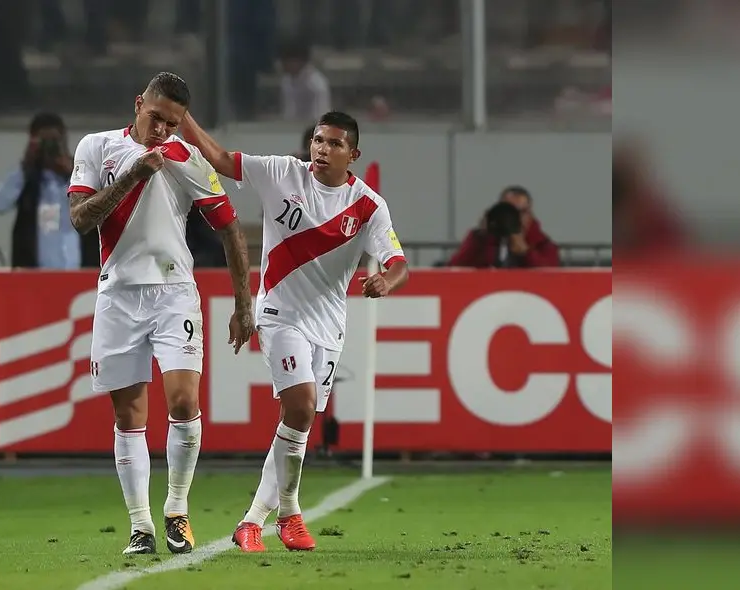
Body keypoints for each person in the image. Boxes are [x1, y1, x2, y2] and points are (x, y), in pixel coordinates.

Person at [180, 110, 409, 552]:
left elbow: (398, 262)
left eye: (334, 144)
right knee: (301, 406)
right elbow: (223, 159)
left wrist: (386, 281)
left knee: (299, 421)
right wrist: (183, 117)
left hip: (329, 326)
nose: (322, 149)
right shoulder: (282, 173)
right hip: (279, 315)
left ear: (353, 155)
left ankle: (260, 519)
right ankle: (289, 513)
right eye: (319, 141)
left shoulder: (367, 206)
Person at [67, 72, 254, 556]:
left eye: (172, 124)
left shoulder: (188, 159)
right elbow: (81, 218)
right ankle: (140, 527)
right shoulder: (97, 147)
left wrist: (243, 303)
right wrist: (134, 172)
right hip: (118, 295)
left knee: (183, 402)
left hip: (174, 294)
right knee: (128, 416)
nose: (163, 132)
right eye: (156, 119)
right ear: (138, 105)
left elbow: (232, 232)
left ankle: (176, 512)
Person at [0, 112, 81, 269]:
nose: (49, 147)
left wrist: (71, 173)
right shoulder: (25, 178)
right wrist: (25, 165)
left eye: (54, 141)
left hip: (80, 272)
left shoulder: (81, 173)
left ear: (64, 140)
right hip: (34, 274)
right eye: (44, 141)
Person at [448, 186, 560, 268]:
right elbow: (455, 267)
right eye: (509, 212)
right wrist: (481, 236)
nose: (515, 217)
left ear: (530, 214)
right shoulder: (480, 238)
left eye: (521, 212)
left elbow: (549, 276)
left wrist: (525, 252)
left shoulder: (542, 243)